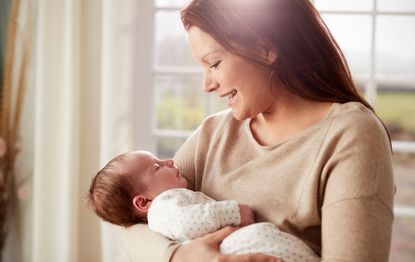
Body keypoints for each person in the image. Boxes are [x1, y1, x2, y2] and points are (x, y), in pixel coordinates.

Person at [123, 0, 395, 261]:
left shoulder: (351, 135)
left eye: (214, 63)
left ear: (267, 48)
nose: (207, 84)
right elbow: (131, 221)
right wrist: (178, 256)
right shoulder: (214, 134)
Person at [87, 150, 320, 262]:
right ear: (143, 202)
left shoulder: (167, 201)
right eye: (157, 167)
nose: (170, 161)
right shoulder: (163, 207)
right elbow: (189, 223)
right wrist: (232, 211)